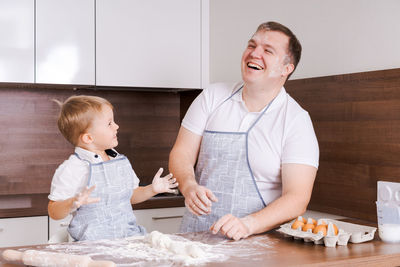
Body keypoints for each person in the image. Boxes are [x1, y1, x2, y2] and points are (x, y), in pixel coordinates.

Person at [169, 21, 319, 241]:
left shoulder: (296, 121)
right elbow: (181, 153)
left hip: (257, 244)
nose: (254, 53)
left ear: (287, 68)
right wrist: (188, 184)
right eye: (252, 45)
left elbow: (297, 198)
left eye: (267, 50)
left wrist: (249, 224)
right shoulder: (212, 96)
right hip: (194, 237)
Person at [48, 95, 178, 241]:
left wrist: (152, 189)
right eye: (109, 123)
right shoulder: (73, 169)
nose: (117, 126)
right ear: (88, 138)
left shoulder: (119, 160)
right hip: (92, 245)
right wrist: (72, 202)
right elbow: (53, 211)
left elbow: (131, 196)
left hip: (128, 239)